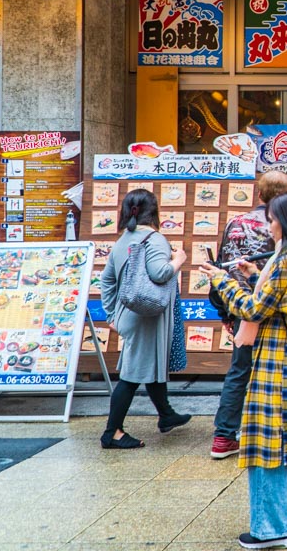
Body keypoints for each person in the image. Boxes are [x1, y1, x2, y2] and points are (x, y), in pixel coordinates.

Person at [201, 192, 287, 550]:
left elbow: (254, 309)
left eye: (271, 218)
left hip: (276, 365)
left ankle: (272, 529)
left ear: (284, 222)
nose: (267, 224)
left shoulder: (285, 262)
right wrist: (256, 272)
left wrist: (222, 281)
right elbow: (284, 298)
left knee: (269, 447)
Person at [210, 170, 287, 460]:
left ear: (259, 193)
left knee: (239, 371)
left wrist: (226, 311)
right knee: (278, 372)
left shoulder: (236, 222)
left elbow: (223, 266)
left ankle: (223, 436)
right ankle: (275, 432)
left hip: (239, 307)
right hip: (274, 313)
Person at [99, 188, 190, 449]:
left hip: (130, 315)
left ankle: (166, 415)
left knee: (149, 366)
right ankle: (112, 433)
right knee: (130, 375)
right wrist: (180, 259)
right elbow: (160, 273)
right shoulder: (155, 238)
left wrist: (111, 314)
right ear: (154, 211)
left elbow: (106, 279)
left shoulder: (122, 240)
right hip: (146, 316)